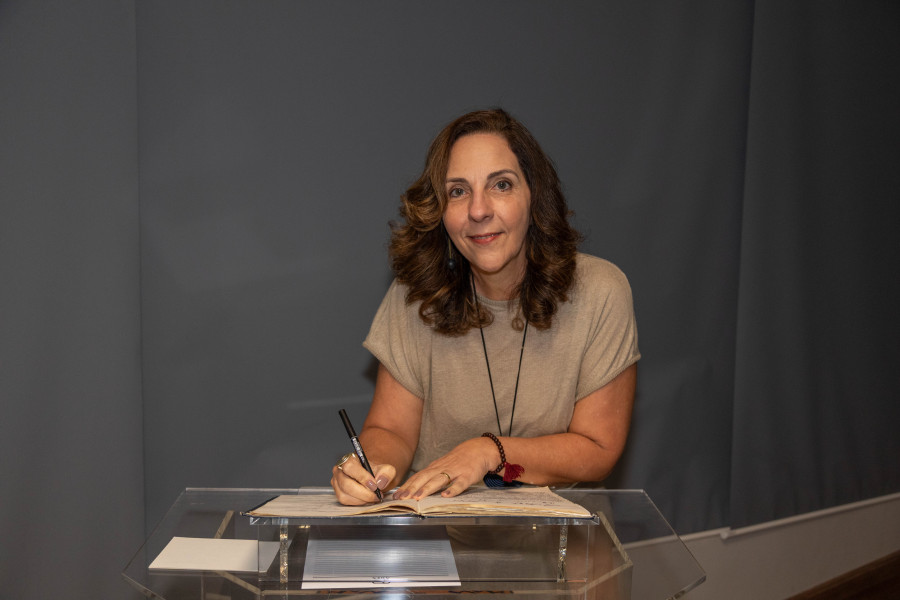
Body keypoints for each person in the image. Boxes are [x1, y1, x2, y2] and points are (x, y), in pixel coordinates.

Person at [331, 108, 639, 505]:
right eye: (458, 191)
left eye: (501, 185)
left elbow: (598, 450)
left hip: (561, 534)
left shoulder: (600, 291)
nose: (478, 211)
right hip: (440, 531)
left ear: (534, 196)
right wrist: (371, 469)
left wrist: (489, 452)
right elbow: (391, 431)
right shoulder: (415, 294)